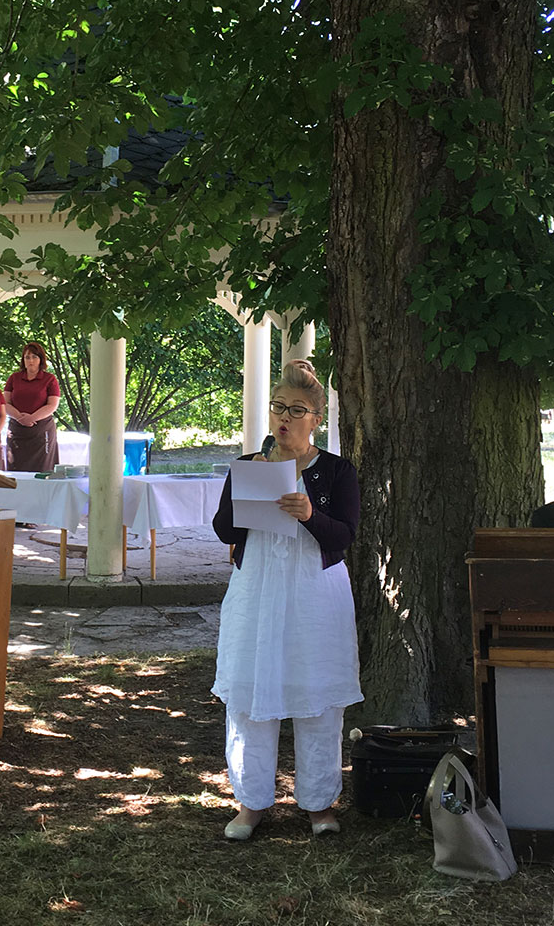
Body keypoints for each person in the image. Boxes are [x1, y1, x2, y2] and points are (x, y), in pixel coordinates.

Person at [210, 359, 362, 841]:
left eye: (297, 409)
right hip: (257, 588)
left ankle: (319, 803)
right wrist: (245, 493)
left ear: (317, 418)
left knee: (316, 695)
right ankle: (251, 802)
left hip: (315, 594)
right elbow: (224, 530)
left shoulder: (337, 471)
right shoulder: (251, 464)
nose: (285, 417)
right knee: (252, 692)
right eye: (278, 407)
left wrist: (310, 514)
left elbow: (345, 536)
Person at [3, 341, 61, 472]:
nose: (31, 360)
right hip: (17, 430)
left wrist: (32, 418)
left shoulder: (50, 379)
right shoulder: (14, 378)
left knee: (43, 469)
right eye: (27, 357)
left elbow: (52, 405)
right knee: (15, 469)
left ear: (41, 359)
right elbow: (5, 403)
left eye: (34, 357)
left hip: (41, 430)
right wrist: (19, 417)